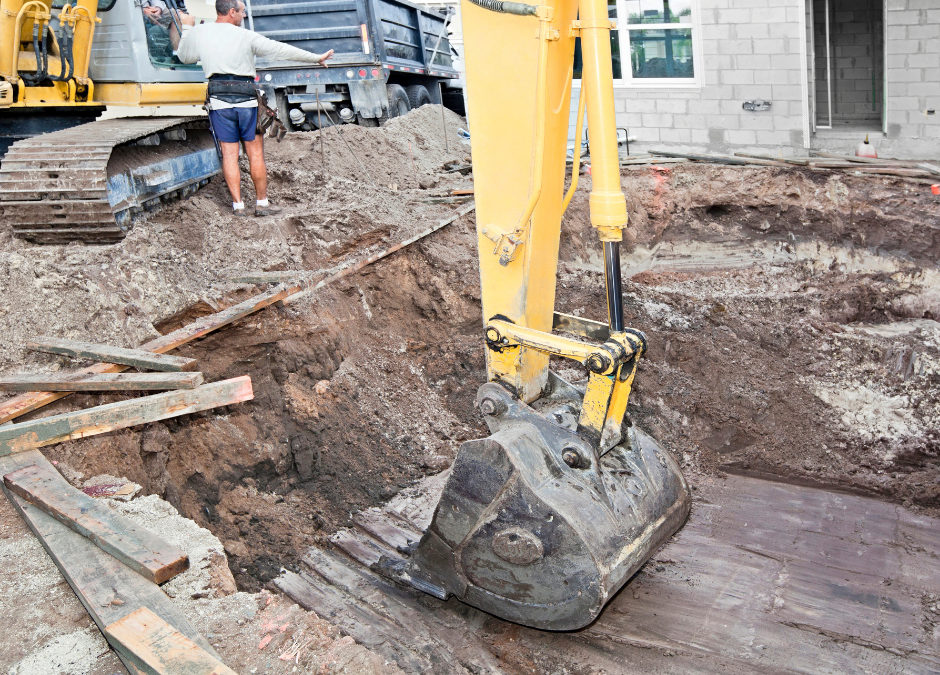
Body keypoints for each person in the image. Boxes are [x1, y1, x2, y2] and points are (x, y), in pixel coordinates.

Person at [176, 0, 334, 217]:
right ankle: (262, 204)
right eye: (241, 12)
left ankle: (238, 207)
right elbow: (280, 50)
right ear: (231, 12)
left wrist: (186, 28)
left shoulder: (199, 32)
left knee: (229, 155)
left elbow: (185, 57)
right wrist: (316, 58)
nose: (243, 17)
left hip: (219, 101)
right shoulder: (246, 36)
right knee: (255, 153)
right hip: (246, 100)